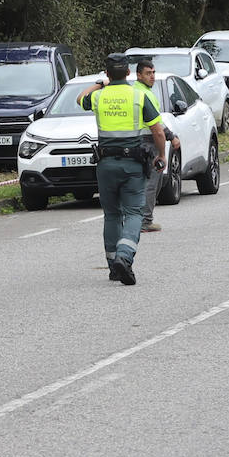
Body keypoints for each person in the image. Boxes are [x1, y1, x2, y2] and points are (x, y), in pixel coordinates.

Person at [76, 53, 166, 286]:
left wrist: (99, 83)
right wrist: (162, 156)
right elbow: (157, 131)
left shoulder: (99, 96)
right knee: (134, 213)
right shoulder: (138, 95)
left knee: (112, 214)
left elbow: (79, 98)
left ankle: (113, 265)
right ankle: (124, 259)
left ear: (107, 74)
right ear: (128, 73)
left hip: (105, 166)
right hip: (132, 165)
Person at [133, 58, 180, 233]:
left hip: (136, 141)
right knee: (152, 183)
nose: (152, 77)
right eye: (148, 73)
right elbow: (156, 126)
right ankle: (145, 221)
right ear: (138, 75)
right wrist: (171, 137)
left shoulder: (136, 91)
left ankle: (136, 219)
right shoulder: (145, 94)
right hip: (148, 142)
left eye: (153, 73)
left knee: (144, 183)